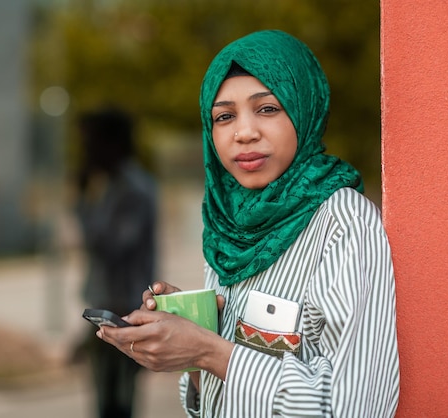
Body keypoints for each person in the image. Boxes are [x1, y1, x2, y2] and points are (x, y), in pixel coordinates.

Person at [97, 30, 399, 417]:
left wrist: (209, 350)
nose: (244, 132)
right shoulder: (226, 228)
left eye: (267, 109)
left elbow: (357, 407)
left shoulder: (342, 222)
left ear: (303, 109)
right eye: (224, 117)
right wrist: (194, 346)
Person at [74, 107, 158, 418]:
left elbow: (110, 245)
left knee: (119, 403)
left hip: (124, 310)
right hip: (108, 304)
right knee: (105, 401)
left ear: (113, 144)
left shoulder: (132, 188)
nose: (86, 152)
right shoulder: (113, 185)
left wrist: (81, 202)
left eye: (91, 143)